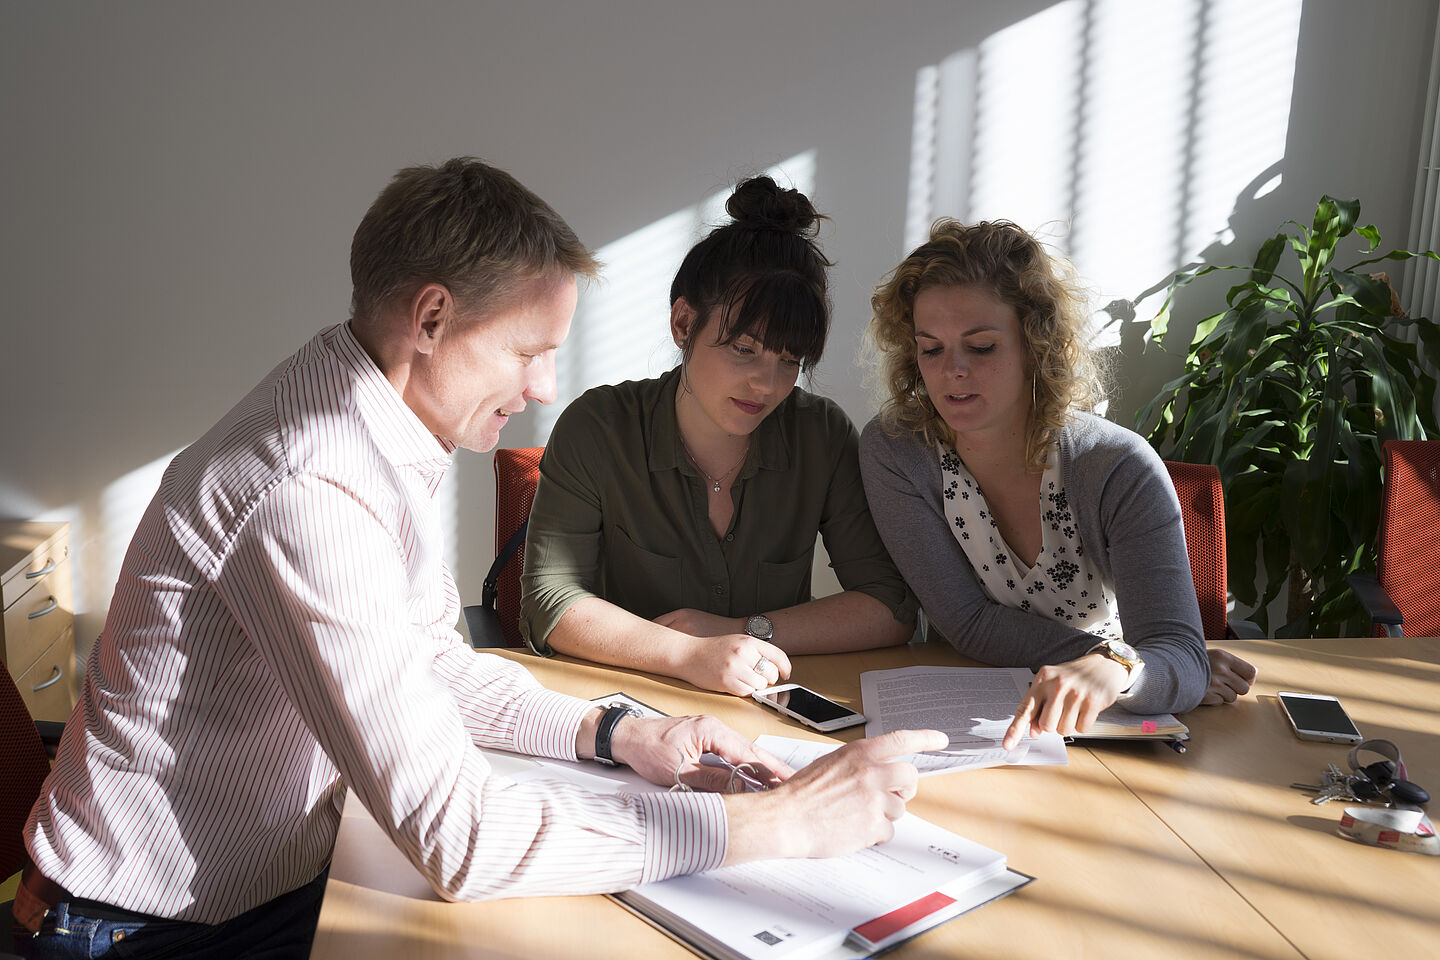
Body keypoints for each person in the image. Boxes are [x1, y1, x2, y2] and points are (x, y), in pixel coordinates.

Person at [15, 158, 944, 960]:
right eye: (529, 351)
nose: (543, 387)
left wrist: (622, 731)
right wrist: (774, 823)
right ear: (430, 318)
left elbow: (431, 661)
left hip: (276, 885)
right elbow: (460, 839)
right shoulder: (311, 488)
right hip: (143, 930)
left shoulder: (368, 416)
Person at [858, 218, 1256, 750]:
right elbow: (968, 623)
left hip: (1098, 718)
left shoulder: (1116, 466)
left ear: (1036, 347)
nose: (952, 370)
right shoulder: (896, 449)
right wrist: (1118, 657)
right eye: (931, 349)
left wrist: (1127, 671)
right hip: (975, 718)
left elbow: (1177, 652)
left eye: (980, 347)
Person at [519, 177, 917, 696]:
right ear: (683, 323)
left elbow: (890, 605)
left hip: (770, 708)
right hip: (639, 705)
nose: (767, 384)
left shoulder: (821, 435)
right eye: (744, 349)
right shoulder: (598, 427)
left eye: (789, 360)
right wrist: (687, 653)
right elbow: (549, 600)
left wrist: (742, 631)